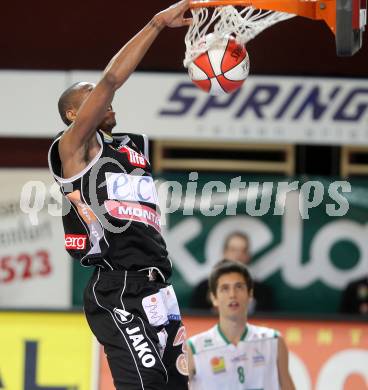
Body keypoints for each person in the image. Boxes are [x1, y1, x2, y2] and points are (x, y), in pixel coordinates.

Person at [48, 2, 191, 389]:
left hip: (160, 287)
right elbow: (111, 79)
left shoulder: (131, 150)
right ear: (73, 116)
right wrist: (157, 23)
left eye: (99, 94)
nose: (104, 98)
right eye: (90, 97)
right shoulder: (74, 148)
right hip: (118, 288)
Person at [187, 260, 295, 390]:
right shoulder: (194, 347)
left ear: (250, 294)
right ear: (214, 298)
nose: (232, 295)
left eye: (239, 287)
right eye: (225, 288)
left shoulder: (273, 340)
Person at [190, 232, 274, 312]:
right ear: (224, 252)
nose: (238, 255)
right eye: (233, 250)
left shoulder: (263, 292)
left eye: (243, 251)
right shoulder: (203, 288)